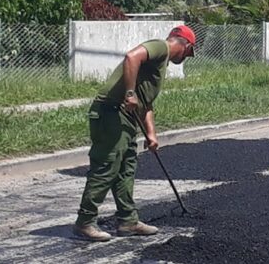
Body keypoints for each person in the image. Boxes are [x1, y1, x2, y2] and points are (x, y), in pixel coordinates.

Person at [72, 25, 196, 242]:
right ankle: (84, 222)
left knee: (126, 169)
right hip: (111, 111)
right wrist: (129, 93)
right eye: (189, 53)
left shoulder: (159, 66)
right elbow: (131, 57)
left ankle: (128, 221)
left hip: (126, 118)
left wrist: (151, 134)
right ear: (185, 45)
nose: (187, 57)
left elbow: (145, 103)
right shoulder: (161, 47)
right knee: (107, 167)